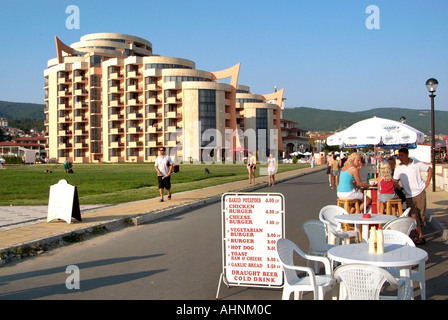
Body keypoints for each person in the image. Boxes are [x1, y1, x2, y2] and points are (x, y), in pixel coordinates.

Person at [393, 148, 433, 245]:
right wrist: (396, 184)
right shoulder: (399, 168)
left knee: (421, 214)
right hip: (409, 194)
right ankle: (420, 236)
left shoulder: (416, 163)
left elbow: (429, 169)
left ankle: (417, 233)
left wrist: (427, 183)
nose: (400, 158)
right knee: (413, 215)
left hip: (419, 192)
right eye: (399, 156)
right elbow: (395, 179)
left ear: (407, 155)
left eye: (402, 155)